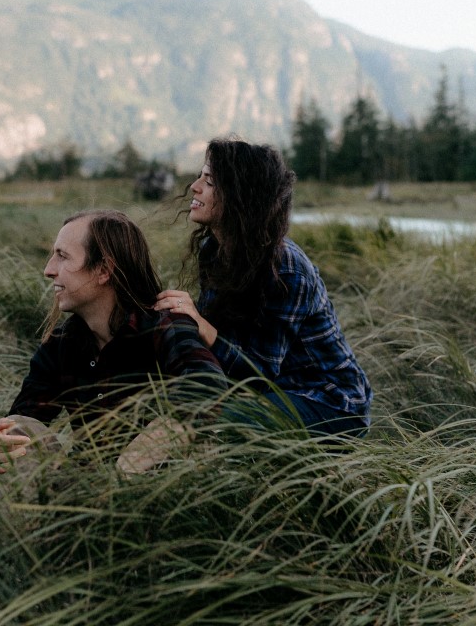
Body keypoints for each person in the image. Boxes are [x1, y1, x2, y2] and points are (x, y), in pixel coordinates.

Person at [0, 209, 225, 474]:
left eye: (62, 257)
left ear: (103, 270)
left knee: (193, 429)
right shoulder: (62, 343)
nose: (48, 270)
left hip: (166, 488)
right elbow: (24, 417)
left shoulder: (165, 325)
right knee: (16, 431)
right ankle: (27, 515)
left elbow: (208, 386)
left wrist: (135, 459)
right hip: (90, 488)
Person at [155, 137, 372, 436]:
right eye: (200, 177)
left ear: (239, 195)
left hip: (331, 403)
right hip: (276, 393)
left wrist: (202, 327)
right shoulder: (214, 251)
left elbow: (259, 375)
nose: (195, 187)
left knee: (216, 423)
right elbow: (222, 357)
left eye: (210, 181)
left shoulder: (285, 268)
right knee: (172, 403)